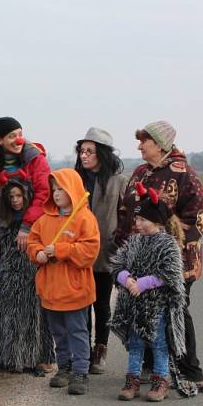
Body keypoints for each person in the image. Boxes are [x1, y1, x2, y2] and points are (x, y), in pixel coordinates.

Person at [115, 121, 203, 394]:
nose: (139, 146)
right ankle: (152, 367)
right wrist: (122, 244)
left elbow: (201, 217)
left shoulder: (184, 175)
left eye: (143, 141)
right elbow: (126, 210)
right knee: (141, 310)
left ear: (159, 144)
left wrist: (171, 245)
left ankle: (189, 370)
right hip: (138, 258)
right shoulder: (140, 173)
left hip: (175, 261)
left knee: (176, 312)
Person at [111, 182, 188, 401]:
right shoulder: (133, 242)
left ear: (157, 222)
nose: (137, 223)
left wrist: (142, 284)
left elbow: (170, 273)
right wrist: (126, 280)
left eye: (142, 219)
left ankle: (160, 381)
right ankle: (132, 380)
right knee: (135, 343)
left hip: (157, 304)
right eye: (137, 219)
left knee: (159, 343)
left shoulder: (168, 244)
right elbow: (117, 265)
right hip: (134, 305)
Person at [27, 168, 100, 395]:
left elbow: (90, 250)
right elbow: (33, 241)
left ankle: (80, 371)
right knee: (58, 331)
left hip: (75, 289)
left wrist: (60, 250)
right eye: (54, 189)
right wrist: (37, 252)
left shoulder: (85, 219)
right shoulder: (44, 219)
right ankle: (64, 367)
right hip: (50, 289)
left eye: (61, 189)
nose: (56, 193)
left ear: (73, 189)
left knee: (77, 331)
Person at [73, 127, 128, 374]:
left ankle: (100, 349)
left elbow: (125, 216)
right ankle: (83, 351)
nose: (84, 156)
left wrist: (119, 245)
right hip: (78, 251)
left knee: (102, 304)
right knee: (81, 303)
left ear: (102, 154)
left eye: (89, 151)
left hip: (106, 252)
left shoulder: (118, 181)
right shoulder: (75, 180)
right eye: (81, 151)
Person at [0, 180, 55, 373]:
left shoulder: (36, 219)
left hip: (31, 268)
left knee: (33, 312)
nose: (16, 200)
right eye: (11, 197)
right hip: (9, 269)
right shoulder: (4, 217)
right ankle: (7, 356)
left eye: (19, 196)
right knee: (7, 312)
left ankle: (36, 357)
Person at [0, 116, 51, 253]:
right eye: (12, 136)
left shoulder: (36, 159)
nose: (19, 139)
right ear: (0, 140)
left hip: (34, 225)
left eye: (20, 134)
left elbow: (44, 193)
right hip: (6, 225)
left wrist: (27, 225)